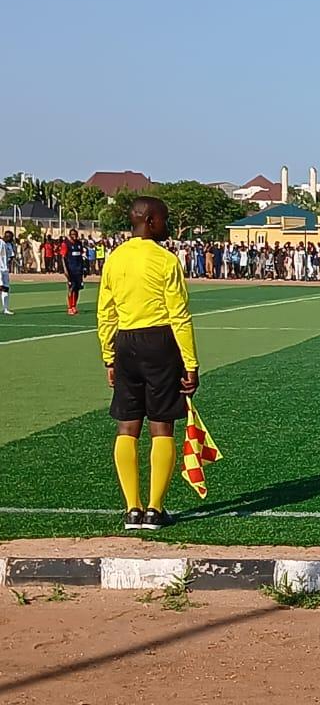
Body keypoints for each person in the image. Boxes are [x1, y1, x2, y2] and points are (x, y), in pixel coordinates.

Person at [96, 197, 199, 531]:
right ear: (152, 220)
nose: (166, 225)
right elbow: (179, 315)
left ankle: (131, 509)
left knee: (127, 425)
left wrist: (109, 356)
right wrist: (191, 363)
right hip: (160, 342)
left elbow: (105, 312)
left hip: (125, 342)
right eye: (165, 219)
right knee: (161, 424)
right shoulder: (165, 260)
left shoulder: (115, 258)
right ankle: (154, 508)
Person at [64, 229, 88, 315]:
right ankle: (70, 307)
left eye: (75, 234)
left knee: (77, 289)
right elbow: (63, 258)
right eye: (72, 234)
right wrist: (65, 270)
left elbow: (82, 256)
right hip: (71, 270)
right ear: (70, 235)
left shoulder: (79, 244)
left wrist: (84, 268)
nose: (74, 236)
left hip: (79, 269)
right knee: (71, 288)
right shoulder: (66, 244)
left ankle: (74, 306)